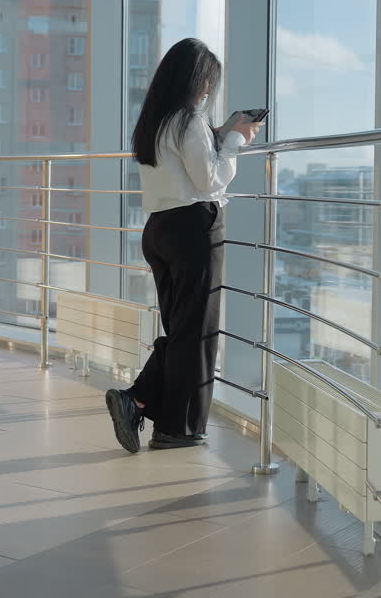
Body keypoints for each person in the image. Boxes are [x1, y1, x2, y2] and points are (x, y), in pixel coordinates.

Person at [105, 38, 263, 451]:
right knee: (196, 331)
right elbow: (210, 180)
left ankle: (137, 400)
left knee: (181, 329)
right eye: (208, 82)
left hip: (158, 228)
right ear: (196, 80)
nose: (209, 91)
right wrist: (237, 140)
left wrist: (217, 135)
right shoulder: (188, 120)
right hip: (194, 227)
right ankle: (177, 427)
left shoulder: (154, 121)